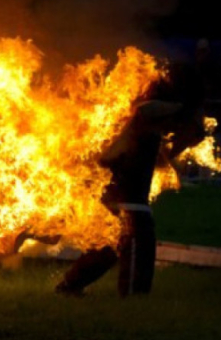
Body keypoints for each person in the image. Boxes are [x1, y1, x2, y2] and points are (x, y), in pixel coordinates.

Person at [55, 62, 207, 298]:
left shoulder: (153, 132)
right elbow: (146, 110)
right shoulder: (142, 118)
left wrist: (185, 140)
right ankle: (133, 297)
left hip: (122, 199)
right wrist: (183, 109)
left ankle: (70, 286)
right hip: (127, 201)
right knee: (139, 242)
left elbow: (160, 160)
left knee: (107, 248)